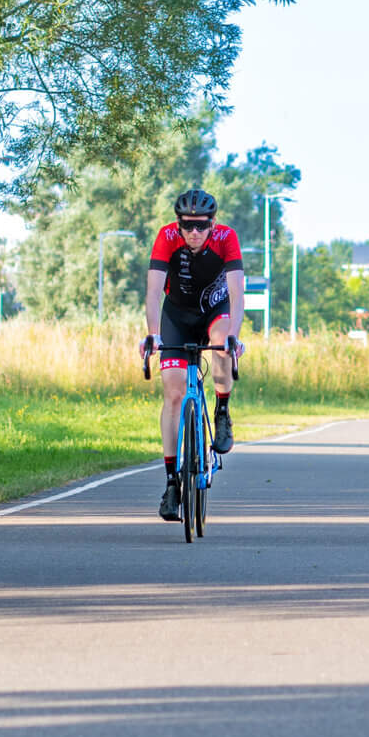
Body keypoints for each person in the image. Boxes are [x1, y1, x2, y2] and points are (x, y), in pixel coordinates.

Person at [140, 188, 244, 523]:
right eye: (188, 225)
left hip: (215, 310)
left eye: (201, 225)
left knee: (221, 342)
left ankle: (222, 410)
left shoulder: (227, 238)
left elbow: (238, 293)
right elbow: (154, 292)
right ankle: (172, 483)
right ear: (179, 223)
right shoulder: (166, 237)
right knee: (173, 393)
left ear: (212, 223)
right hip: (177, 317)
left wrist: (234, 336)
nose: (194, 232)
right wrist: (154, 334)